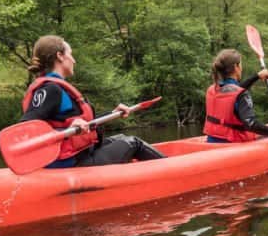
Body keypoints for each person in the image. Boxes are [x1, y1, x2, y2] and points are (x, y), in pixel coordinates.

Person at [20, 35, 165, 168]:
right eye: (70, 54)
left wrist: (113, 113)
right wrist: (65, 131)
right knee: (133, 143)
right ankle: (170, 170)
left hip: (80, 154)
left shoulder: (58, 87)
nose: (74, 60)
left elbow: (82, 122)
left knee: (121, 138)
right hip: (68, 163)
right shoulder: (50, 89)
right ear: (60, 56)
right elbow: (26, 130)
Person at [204, 48, 268, 144]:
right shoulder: (240, 94)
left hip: (211, 142)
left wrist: (257, 76)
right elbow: (251, 124)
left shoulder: (213, 89)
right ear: (236, 67)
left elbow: (233, 92)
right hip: (232, 144)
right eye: (241, 65)